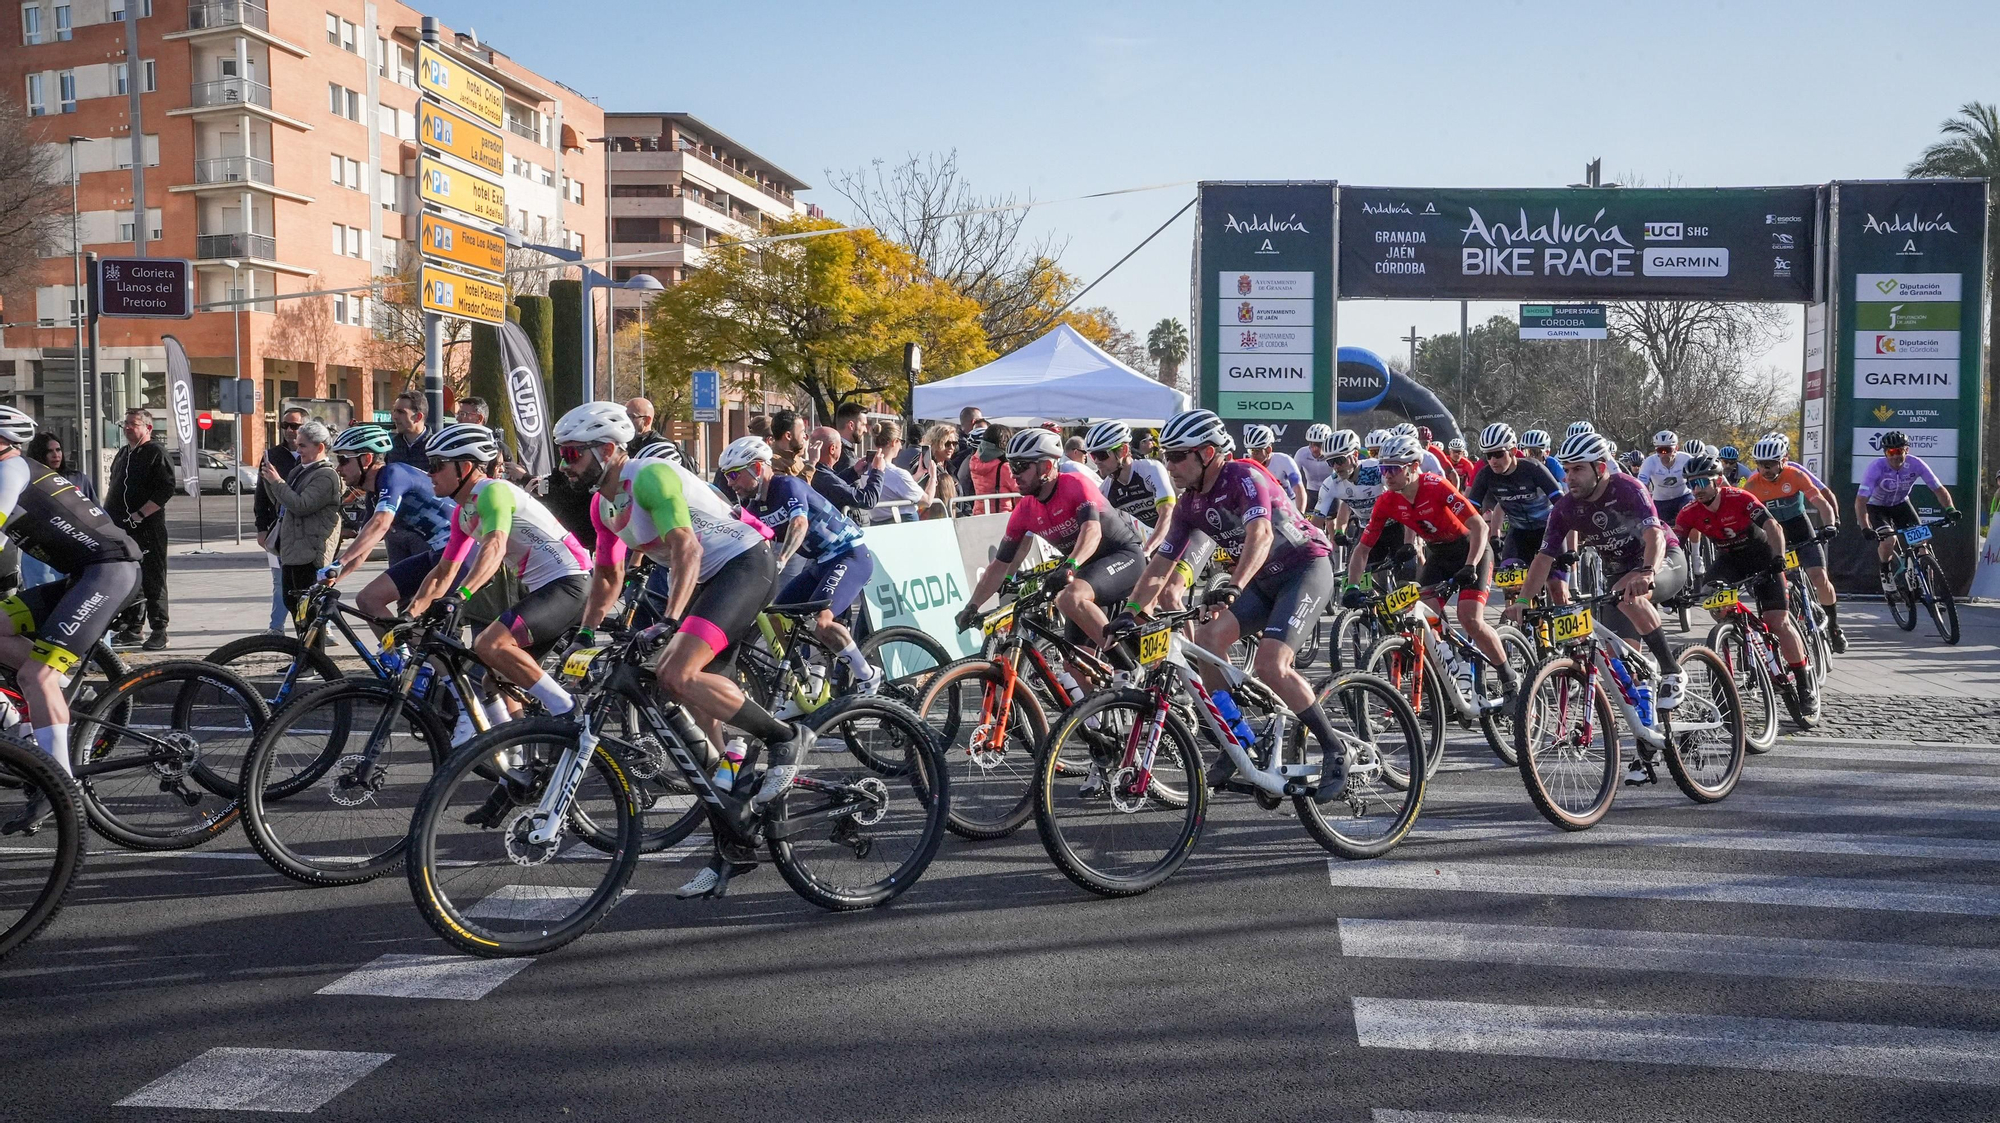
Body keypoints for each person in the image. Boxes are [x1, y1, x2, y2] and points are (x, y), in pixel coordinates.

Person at [559, 406, 797, 897]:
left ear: (606, 451)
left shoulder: (650, 476)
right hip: (711, 578)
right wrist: (584, 635)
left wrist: (669, 623)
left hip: (745, 564)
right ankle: (734, 841)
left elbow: (685, 548)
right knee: (695, 718)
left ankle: (787, 738)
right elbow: (608, 576)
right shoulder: (602, 506)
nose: (565, 465)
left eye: (572, 454)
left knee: (676, 672)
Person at [1116, 409, 1345, 799]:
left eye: (1176, 456)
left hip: (1304, 566)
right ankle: (1239, 740)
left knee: (1271, 664)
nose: (1168, 464)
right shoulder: (1189, 504)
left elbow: (1260, 535)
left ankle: (1334, 749)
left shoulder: (1244, 475)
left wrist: (1235, 585)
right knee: (1207, 640)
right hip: (1263, 578)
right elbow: (1160, 565)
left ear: (1207, 453)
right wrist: (1131, 612)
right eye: (1165, 455)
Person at [405, 423, 591, 769]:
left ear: (466, 467)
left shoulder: (492, 492)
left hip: (571, 581)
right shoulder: (464, 511)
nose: (429, 473)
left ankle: (568, 711)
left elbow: (495, 546)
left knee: (489, 644)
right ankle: (516, 772)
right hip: (546, 587)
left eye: (437, 465)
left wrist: (461, 595)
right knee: (495, 679)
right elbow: (443, 571)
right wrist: (410, 615)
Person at [0, 406, 143, 834]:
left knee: (36, 677)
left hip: (110, 570)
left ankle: (58, 785)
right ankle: (55, 689)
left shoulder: (11, 471)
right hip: (86, 574)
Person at [1505, 430, 1692, 716]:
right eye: (1566, 470)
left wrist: (1647, 572)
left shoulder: (1627, 488)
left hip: (1662, 560)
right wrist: (1522, 601)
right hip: (1618, 579)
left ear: (1600, 468)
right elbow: (1544, 558)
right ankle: (1649, 734)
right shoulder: (1566, 507)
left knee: (1630, 597)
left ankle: (1672, 670)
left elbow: (1654, 534)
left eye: (1578, 469)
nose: (1570, 477)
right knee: (1623, 663)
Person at [1343, 434, 1516, 704]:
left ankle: (1509, 679)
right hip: (1440, 555)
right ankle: (1448, 684)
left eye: (1393, 469)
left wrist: (1470, 566)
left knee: (1470, 618)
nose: (1385, 475)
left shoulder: (1436, 486)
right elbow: (1363, 549)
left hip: (1472, 550)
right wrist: (1352, 587)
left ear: (1413, 467)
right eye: (1382, 469)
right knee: (1421, 620)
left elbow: (1479, 527)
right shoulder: (1387, 501)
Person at [956, 427, 1146, 656]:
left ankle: (1126, 669)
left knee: (1068, 598)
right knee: (1076, 665)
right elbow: (1000, 565)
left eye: (1021, 466)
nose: (1014, 473)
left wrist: (1070, 565)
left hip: (1123, 557)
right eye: (1011, 465)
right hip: (1087, 573)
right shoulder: (1024, 510)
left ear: (1046, 466)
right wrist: (972, 606)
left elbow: (1092, 531)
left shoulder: (1075, 485)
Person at [721, 434, 882, 694]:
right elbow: (746, 538)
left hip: (849, 555)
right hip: (821, 563)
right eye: (727, 476)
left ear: (758, 468)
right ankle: (805, 680)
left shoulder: (787, 486)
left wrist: (782, 558)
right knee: (775, 617)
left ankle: (868, 674)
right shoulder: (754, 505)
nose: (731, 483)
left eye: (734, 475)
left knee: (823, 622)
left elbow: (799, 523)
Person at [1674, 454, 1814, 714]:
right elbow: (1674, 549)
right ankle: (1736, 632)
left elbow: (1773, 526)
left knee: (1777, 621)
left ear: (1717, 481)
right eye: (1691, 484)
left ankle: (1804, 683)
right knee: (1713, 599)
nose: (1697, 489)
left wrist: (1778, 558)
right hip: (1730, 562)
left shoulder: (1738, 497)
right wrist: (1667, 584)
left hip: (1763, 558)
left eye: (1703, 482)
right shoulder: (1689, 512)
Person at [319, 424, 460, 624]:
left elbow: (381, 524)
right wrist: (329, 582)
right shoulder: (375, 493)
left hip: (461, 554)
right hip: (437, 554)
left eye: (343, 460)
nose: (338, 468)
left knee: (423, 625)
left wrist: (339, 563)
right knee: (368, 600)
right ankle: (398, 654)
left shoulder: (393, 475)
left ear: (366, 459)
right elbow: (362, 550)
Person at [1742, 433, 1846, 652]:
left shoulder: (1795, 475)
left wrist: (1829, 525)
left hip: (1799, 528)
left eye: (1770, 464)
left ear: (1783, 460)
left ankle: (1834, 627)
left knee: (1819, 578)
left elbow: (1820, 502)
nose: (1765, 470)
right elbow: (1745, 518)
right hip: (1774, 534)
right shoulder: (1752, 485)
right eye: (1760, 465)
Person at [1466, 423, 1566, 602]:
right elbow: (1469, 514)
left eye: (1498, 454)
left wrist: (1571, 547)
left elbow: (1563, 506)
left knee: (1558, 591)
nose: (1493, 460)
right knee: (1511, 588)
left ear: (1512, 450)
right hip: (1519, 534)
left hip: (1549, 532)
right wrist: (1492, 537)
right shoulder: (1485, 475)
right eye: (1488, 455)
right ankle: (1515, 628)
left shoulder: (1533, 468)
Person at [1855, 429, 1962, 593]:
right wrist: (1865, 527)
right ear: (1885, 453)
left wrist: (1950, 509)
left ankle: (1929, 591)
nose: (1895, 456)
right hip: (1877, 507)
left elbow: (1938, 489)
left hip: (1901, 504)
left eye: (1900, 451)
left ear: (1907, 450)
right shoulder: (1876, 467)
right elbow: (1861, 501)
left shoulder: (1916, 464)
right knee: (1889, 541)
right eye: (1891, 452)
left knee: (1922, 545)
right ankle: (1885, 571)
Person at [258, 420, 343, 625]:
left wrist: (277, 481)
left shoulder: (326, 475)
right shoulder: (299, 470)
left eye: (303, 445)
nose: (298, 449)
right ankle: (302, 653)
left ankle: (313, 655)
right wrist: (269, 481)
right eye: (298, 444)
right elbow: (282, 503)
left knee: (310, 611)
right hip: (292, 552)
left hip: (310, 554)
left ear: (320, 447)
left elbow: (301, 505)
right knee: (293, 604)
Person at [105, 407, 176, 650]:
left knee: (153, 577)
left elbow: (166, 488)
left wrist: (141, 513)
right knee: (129, 578)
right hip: (121, 528)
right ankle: (132, 627)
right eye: (125, 423)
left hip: (147, 528)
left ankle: (160, 630)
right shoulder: (124, 453)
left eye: (133, 424)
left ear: (147, 428)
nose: (127, 428)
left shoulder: (156, 452)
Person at [18, 433, 94, 591]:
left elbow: (95, 512)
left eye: (58, 449)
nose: (56, 455)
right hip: (41, 553)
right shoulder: (27, 481)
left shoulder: (77, 478)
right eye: (49, 451)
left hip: (75, 549)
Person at [256, 407, 308, 630]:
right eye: (284, 425)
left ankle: (321, 626)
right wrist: (261, 527)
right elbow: (261, 494)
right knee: (280, 581)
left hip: (307, 529)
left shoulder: (315, 455)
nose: (289, 430)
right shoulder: (271, 456)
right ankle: (276, 628)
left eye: (294, 426)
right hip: (279, 526)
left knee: (310, 582)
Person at [382, 392, 433, 564]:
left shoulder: (436, 447)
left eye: (401, 412)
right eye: (394, 411)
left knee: (424, 583)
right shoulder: (391, 446)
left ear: (418, 416)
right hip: (396, 529)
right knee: (397, 586)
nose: (394, 416)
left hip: (426, 530)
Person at [867, 421, 935, 523]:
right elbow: (927, 501)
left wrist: (918, 474)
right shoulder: (897, 474)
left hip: (876, 525)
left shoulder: (866, 468)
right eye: (901, 442)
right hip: (903, 525)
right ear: (894, 442)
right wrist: (933, 477)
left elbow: (895, 485)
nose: (901, 447)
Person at [1241, 424, 1309, 513]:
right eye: (1250, 451)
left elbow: (1299, 489)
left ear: (1268, 449)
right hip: (1264, 507)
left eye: (1256, 451)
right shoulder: (1248, 466)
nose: (1253, 455)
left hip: (1288, 505)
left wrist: (1301, 515)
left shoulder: (1284, 460)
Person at [957, 421, 1016, 514]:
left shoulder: (974, 461)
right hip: (1002, 516)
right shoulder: (1004, 467)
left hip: (979, 514)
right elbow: (1019, 492)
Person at [1639, 430, 1695, 524]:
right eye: (1660, 451)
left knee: (1692, 517)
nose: (1664, 454)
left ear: (1676, 448)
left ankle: (1695, 540)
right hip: (1661, 501)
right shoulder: (1649, 462)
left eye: (1668, 450)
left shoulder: (1687, 459)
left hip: (1683, 496)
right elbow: (1641, 485)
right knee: (1659, 529)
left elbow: (1697, 479)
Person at [919, 423, 960, 516]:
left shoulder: (951, 467)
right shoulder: (925, 468)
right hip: (936, 520)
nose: (952, 447)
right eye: (947, 443)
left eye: (954, 443)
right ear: (935, 443)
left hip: (955, 517)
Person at [1294, 423, 1335, 502]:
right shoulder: (1302, 453)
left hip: (1332, 492)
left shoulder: (1333, 454)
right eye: (1312, 444)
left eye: (1319, 445)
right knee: (1305, 513)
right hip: (1311, 492)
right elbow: (1293, 475)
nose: (1315, 449)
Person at [830, 402, 868, 480]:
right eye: (863, 425)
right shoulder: (847, 458)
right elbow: (854, 491)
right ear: (851, 425)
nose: (866, 430)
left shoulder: (828, 449)